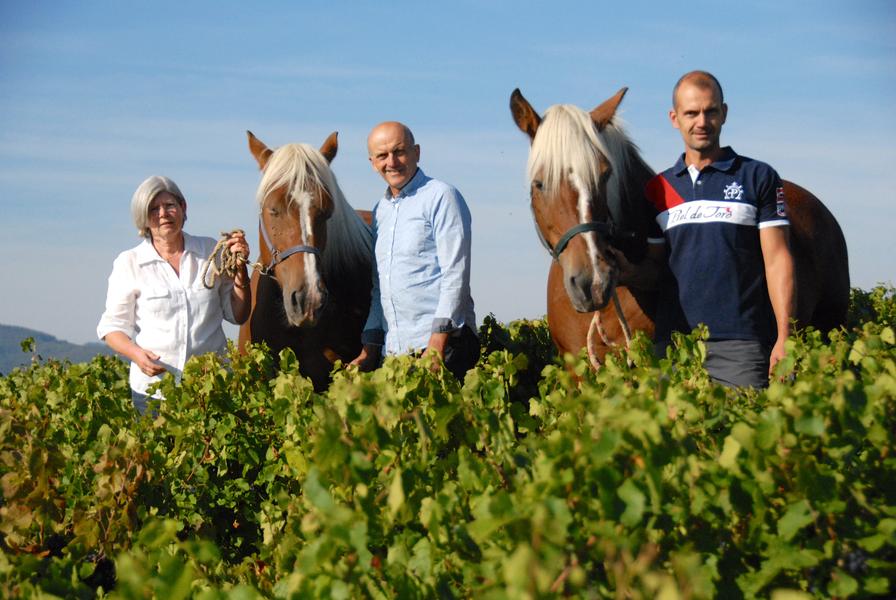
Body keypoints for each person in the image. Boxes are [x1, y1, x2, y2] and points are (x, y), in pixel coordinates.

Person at [643, 71, 795, 388]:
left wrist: (785, 336)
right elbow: (654, 270)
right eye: (691, 113)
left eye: (710, 111)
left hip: (741, 346)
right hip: (674, 351)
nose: (702, 121)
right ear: (674, 118)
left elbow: (778, 259)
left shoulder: (758, 178)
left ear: (724, 113)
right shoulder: (658, 189)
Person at [97, 175, 251, 412]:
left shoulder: (210, 251)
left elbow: (237, 314)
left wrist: (241, 270)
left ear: (183, 208)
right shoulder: (129, 263)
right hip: (153, 393)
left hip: (211, 387)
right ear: (143, 218)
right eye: (154, 208)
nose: (163, 213)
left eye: (170, 205)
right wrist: (136, 354)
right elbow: (112, 328)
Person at [351, 122, 479, 380]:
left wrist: (437, 344)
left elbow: (455, 274)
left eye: (399, 151)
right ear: (372, 162)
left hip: (444, 347)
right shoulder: (381, 211)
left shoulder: (441, 196)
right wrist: (370, 346)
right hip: (397, 353)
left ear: (416, 152)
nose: (392, 162)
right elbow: (381, 287)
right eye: (382, 156)